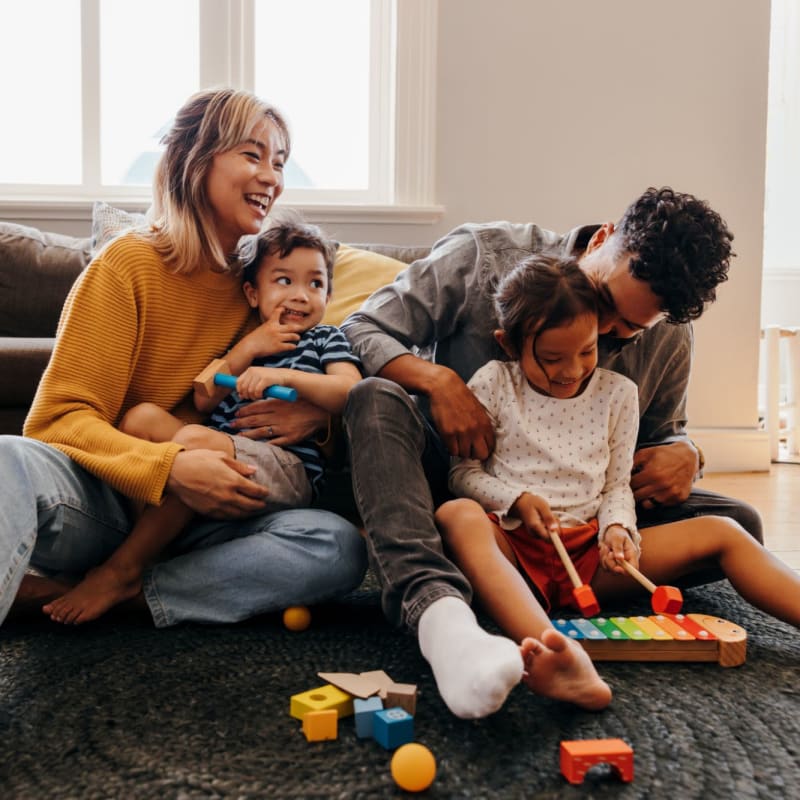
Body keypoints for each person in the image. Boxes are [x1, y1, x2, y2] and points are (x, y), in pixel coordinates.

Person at [340, 186, 762, 719]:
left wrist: (687, 452)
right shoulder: (481, 257)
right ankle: (437, 607)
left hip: (582, 515)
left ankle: (527, 583)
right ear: (605, 238)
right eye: (605, 303)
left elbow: (661, 435)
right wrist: (439, 382)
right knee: (373, 399)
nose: (603, 333)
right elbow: (360, 327)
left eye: (627, 331)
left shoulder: (671, 334)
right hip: (453, 483)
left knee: (739, 521)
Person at [1, 88, 367, 628]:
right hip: (106, 500)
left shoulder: (262, 288)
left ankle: (128, 590)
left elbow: (315, 385)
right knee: (7, 460)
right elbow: (56, 421)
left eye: (280, 162)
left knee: (336, 546)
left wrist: (318, 419)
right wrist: (168, 469)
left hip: (208, 518)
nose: (272, 177)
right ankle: (116, 576)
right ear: (195, 161)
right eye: (252, 155)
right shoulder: (127, 265)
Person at [435, 253, 800, 712]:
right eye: (551, 358)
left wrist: (618, 530)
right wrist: (517, 500)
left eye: (586, 351)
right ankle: (556, 654)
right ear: (509, 344)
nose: (571, 370)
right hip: (513, 549)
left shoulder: (618, 395)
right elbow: (463, 474)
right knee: (456, 514)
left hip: (590, 557)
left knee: (726, 530)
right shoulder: (492, 382)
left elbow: (615, 488)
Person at [41, 219, 362, 625]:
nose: (300, 296)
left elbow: (350, 391)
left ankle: (124, 569)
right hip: (218, 453)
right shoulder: (248, 339)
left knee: (194, 439)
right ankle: (154, 547)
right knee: (142, 418)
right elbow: (204, 395)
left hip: (283, 467)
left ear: (328, 295)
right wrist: (248, 348)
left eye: (315, 284)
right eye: (284, 281)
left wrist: (286, 377)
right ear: (252, 292)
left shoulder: (325, 339)